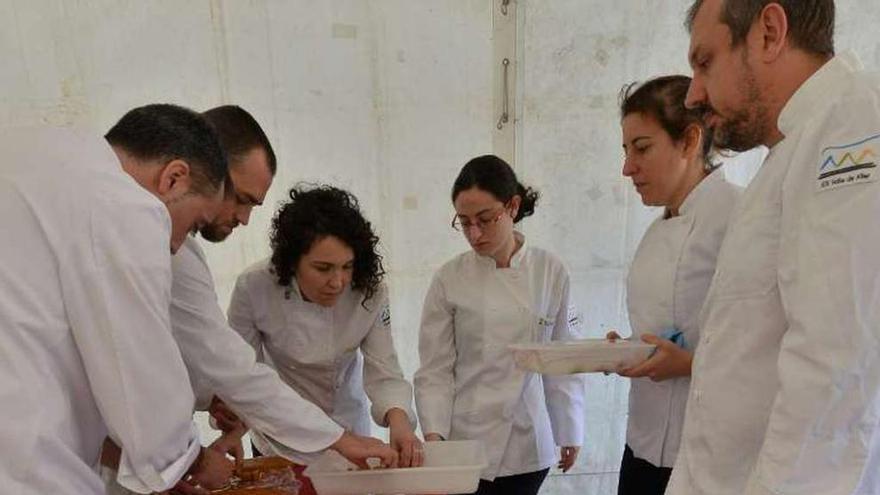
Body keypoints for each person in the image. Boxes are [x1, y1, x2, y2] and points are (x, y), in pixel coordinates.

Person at [101, 106, 398, 495]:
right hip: (260, 439)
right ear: (191, 171)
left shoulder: (173, 246)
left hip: (322, 431)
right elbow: (223, 363)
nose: (242, 219)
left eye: (345, 268)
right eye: (239, 199)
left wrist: (209, 408)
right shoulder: (229, 272)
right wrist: (190, 453)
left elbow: (212, 364)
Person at [667, 1, 880, 494]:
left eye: (704, 62)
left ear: (768, 31)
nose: (694, 93)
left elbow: (838, 369)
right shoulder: (790, 152)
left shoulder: (851, 124)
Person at [0, 104, 233, 494]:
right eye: (192, 226)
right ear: (173, 178)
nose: (177, 247)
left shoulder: (28, 151)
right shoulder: (124, 204)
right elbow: (139, 368)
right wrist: (189, 458)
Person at [414, 155, 585, 495]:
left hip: (526, 441)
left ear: (513, 206)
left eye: (485, 219)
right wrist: (434, 439)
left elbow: (562, 358)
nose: (474, 234)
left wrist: (570, 428)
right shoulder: (450, 278)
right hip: (466, 441)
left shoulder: (549, 271)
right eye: (464, 222)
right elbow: (435, 368)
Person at [606, 75, 740, 495]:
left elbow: (770, 345)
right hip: (643, 446)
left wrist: (689, 364)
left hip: (709, 453)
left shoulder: (740, 218)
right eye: (626, 151)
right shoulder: (654, 233)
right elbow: (667, 326)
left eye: (642, 148)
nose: (628, 167)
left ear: (689, 141)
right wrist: (626, 349)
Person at [228, 184, 422, 467]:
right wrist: (233, 420)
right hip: (279, 437)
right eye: (323, 268)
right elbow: (240, 372)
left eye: (347, 266)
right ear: (292, 261)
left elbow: (384, 369)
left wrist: (399, 419)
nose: (338, 282)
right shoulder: (254, 286)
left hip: (349, 430)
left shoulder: (369, 290)